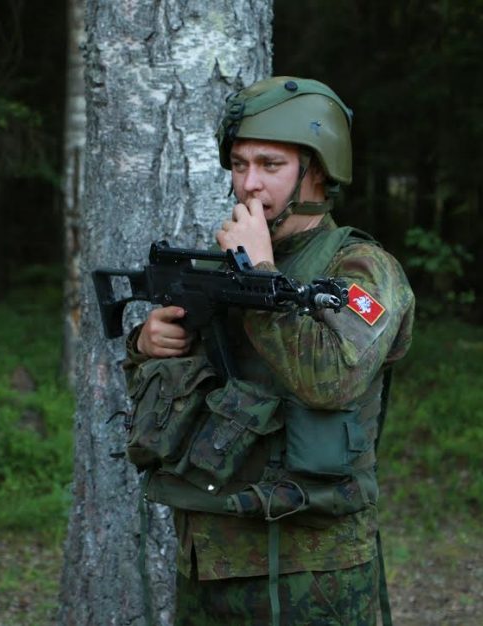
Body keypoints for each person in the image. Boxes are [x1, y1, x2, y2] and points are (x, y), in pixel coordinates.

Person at [123, 76, 415, 625]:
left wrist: (261, 277)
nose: (248, 184)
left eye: (269, 165)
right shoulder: (220, 268)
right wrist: (148, 345)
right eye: (238, 164)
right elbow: (182, 398)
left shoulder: (360, 270)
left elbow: (333, 380)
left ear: (319, 171)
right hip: (210, 556)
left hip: (311, 569)